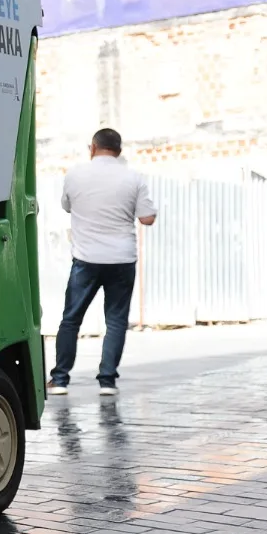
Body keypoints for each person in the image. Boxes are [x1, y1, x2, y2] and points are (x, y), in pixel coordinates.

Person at [48, 128, 158, 397]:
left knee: (71, 320)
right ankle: (107, 381)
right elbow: (147, 218)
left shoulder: (75, 175)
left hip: (86, 259)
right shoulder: (134, 178)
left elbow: (67, 205)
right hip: (122, 259)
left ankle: (60, 379)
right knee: (117, 321)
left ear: (93, 147)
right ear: (119, 150)